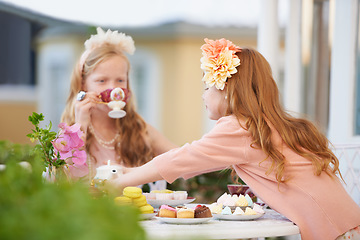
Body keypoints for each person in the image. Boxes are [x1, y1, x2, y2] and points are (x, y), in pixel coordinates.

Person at [110, 38, 360, 240]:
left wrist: (122, 181)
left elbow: (183, 158)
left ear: (228, 91)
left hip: (335, 231)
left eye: (207, 86)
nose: (203, 95)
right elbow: (194, 160)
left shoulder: (239, 127)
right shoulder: (264, 124)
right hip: (346, 223)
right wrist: (131, 171)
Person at [61, 27, 177, 183]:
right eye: (102, 81)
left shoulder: (139, 129)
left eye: (120, 80)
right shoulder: (68, 134)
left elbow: (181, 158)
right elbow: (63, 178)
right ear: (83, 84)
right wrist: (80, 125)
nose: (113, 89)